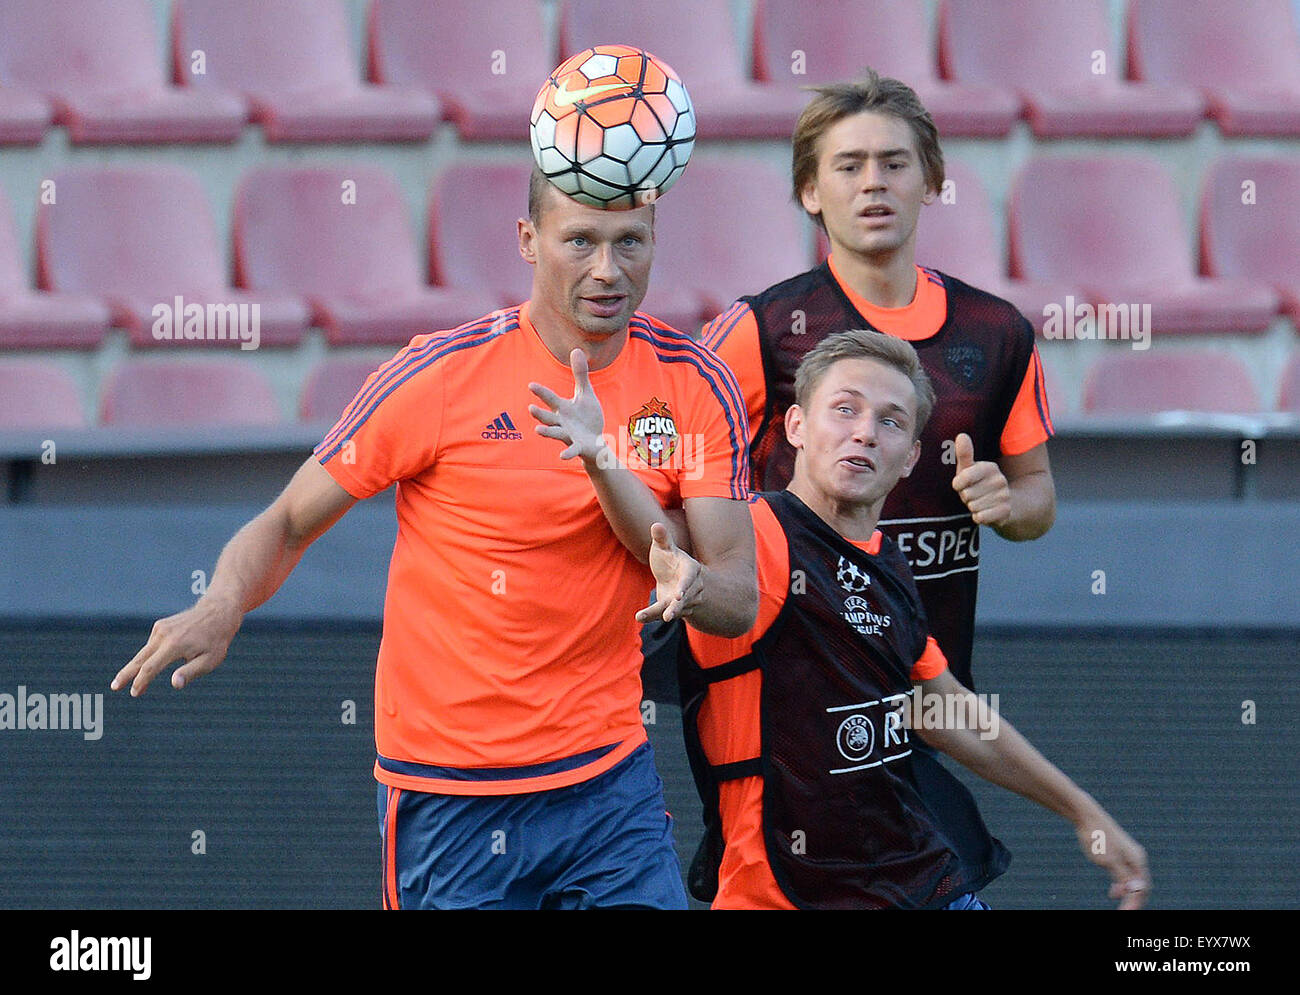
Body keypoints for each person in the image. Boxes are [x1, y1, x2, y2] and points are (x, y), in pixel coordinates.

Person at [110, 165, 757, 910]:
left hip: (608, 787)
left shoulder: (695, 384)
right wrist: (224, 602)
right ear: (528, 240)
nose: (607, 269)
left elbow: (737, 595)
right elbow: (289, 519)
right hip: (449, 793)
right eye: (579, 240)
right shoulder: (441, 375)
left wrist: (695, 583)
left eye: (629, 243)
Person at [660, 328, 1149, 909]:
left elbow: (948, 712)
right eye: (844, 409)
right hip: (783, 892)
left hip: (920, 884)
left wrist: (1084, 812)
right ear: (794, 426)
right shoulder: (752, 535)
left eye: (891, 422)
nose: (865, 432)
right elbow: (657, 532)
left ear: (912, 456)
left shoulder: (887, 562)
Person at [701, 68, 1055, 696]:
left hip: (934, 689)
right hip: (791, 689)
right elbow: (687, 478)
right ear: (810, 191)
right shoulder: (760, 327)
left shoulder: (998, 331)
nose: (873, 183)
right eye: (848, 166)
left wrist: (1006, 505)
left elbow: (1037, 502)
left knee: (953, 801)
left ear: (932, 183)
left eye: (894, 164)